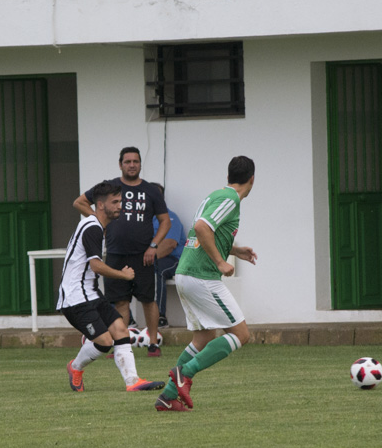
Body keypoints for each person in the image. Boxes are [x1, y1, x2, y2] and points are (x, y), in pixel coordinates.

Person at [155, 156, 258, 412]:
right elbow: (202, 228)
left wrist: (235, 250)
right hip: (202, 276)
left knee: (204, 337)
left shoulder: (215, 195)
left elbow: (206, 231)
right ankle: (185, 374)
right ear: (252, 180)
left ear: (227, 177)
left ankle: (167, 397)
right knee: (240, 335)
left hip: (186, 273)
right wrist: (221, 262)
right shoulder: (231, 198)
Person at [60, 181, 164, 393]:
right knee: (104, 341)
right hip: (75, 298)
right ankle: (75, 367)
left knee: (120, 329)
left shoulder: (96, 226)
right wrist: (123, 275)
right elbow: (96, 266)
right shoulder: (92, 227)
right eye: (115, 202)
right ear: (100, 205)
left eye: (121, 201)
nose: (120, 206)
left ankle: (132, 381)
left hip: (89, 293)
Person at [73, 147, 171, 357]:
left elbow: (165, 221)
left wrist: (153, 246)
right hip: (116, 253)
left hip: (143, 255)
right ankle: (121, 344)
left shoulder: (151, 191)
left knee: (147, 299)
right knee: (120, 301)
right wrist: (97, 219)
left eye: (135, 161)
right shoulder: (110, 187)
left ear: (140, 164)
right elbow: (79, 202)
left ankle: (153, 343)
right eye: (127, 161)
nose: (132, 165)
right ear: (120, 164)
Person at [150, 183, 186, 328]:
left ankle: (160, 317)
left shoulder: (170, 218)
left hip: (174, 259)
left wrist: (145, 259)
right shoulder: (145, 219)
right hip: (152, 259)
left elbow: (169, 245)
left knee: (158, 270)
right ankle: (127, 319)